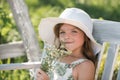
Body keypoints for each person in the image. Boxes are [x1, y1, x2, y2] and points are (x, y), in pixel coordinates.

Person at [37, 8, 101, 80]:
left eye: (74, 31)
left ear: (85, 36)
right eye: (62, 32)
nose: (66, 37)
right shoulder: (58, 58)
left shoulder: (85, 66)